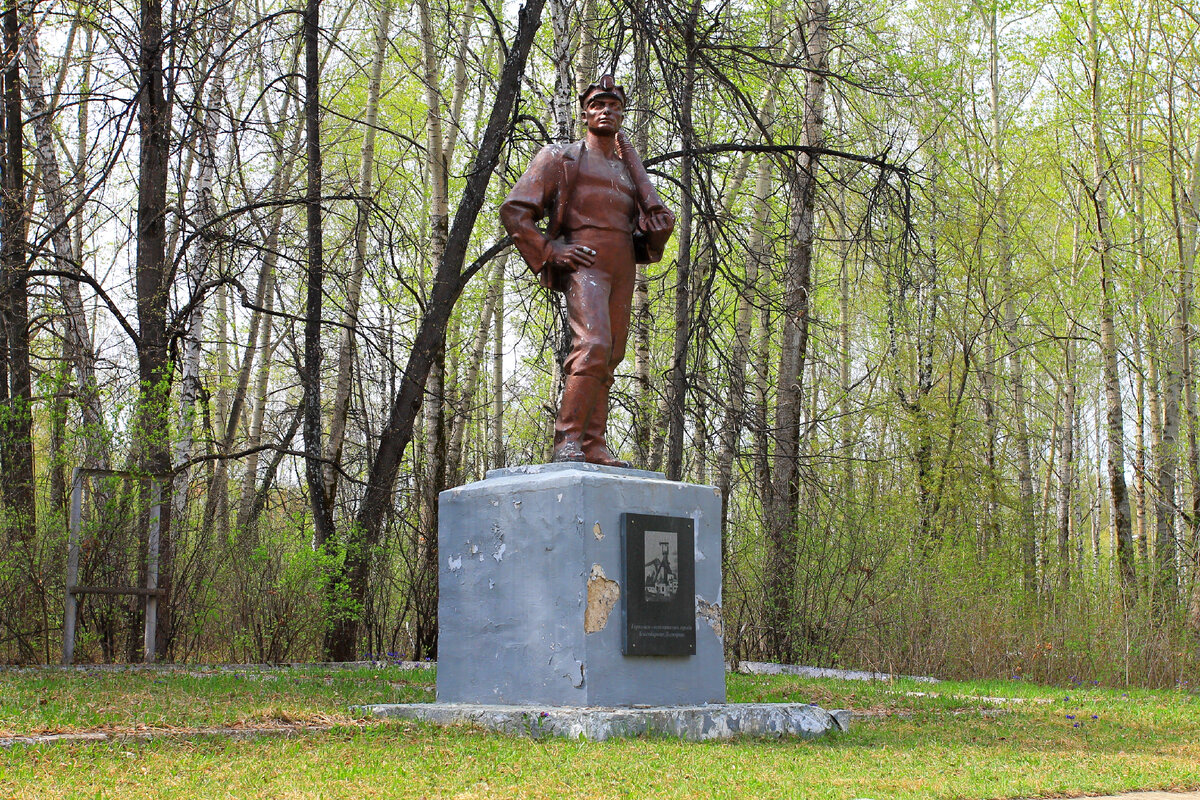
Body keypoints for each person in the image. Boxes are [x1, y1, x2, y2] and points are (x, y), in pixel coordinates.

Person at [500, 75, 675, 467]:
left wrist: (659, 233)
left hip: (622, 263)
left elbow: (643, 238)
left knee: (611, 354)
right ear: (584, 113)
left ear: (622, 114)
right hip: (587, 261)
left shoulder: (632, 171)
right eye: (598, 104)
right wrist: (550, 250)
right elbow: (515, 210)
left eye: (614, 105)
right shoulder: (560, 158)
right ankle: (567, 440)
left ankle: (593, 444)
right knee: (593, 344)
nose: (606, 110)